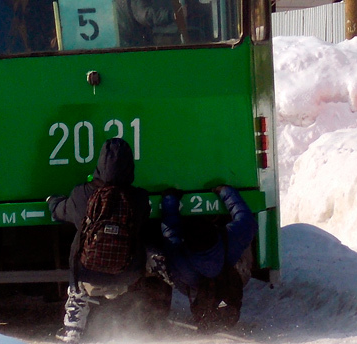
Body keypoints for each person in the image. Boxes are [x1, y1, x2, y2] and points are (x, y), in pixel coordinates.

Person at [47, 138, 149, 343]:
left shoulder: (82, 194)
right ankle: (139, 318)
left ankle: (73, 328)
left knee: (79, 244)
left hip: (88, 274)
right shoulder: (138, 198)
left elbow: (62, 211)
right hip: (126, 274)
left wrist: (52, 202)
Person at [155, 184, 256, 332]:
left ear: (187, 243)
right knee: (243, 242)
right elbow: (246, 219)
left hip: (195, 285)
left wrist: (170, 200)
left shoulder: (181, 259)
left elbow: (171, 233)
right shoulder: (229, 240)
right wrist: (226, 192)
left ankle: (208, 305)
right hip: (228, 274)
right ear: (215, 233)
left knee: (168, 256)